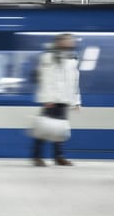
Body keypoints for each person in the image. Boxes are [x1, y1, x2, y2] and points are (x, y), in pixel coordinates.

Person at [33, 33, 81, 167]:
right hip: (52, 99)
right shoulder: (48, 57)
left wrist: (76, 101)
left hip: (64, 99)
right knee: (44, 129)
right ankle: (37, 156)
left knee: (60, 130)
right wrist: (47, 98)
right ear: (59, 42)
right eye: (67, 40)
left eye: (71, 40)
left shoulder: (72, 58)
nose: (70, 42)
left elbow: (75, 81)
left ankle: (59, 157)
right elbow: (45, 79)